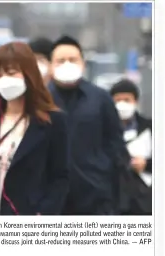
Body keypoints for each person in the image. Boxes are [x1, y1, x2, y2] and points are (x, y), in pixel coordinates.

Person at [0, 41, 69, 215]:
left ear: (28, 74)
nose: (5, 79)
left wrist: (44, 213)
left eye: (11, 73)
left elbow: (60, 178)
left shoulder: (52, 121)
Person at [48, 35, 126, 215]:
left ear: (83, 63)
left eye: (72, 60)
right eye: (61, 61)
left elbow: (115, 142)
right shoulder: (40, 100)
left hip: (95, 196)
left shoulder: (100, 99)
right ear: (51, 66)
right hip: (51, 199)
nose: (67, 64)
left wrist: (104, 171)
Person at [110, 79, 152, 215]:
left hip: (143, 199)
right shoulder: (103, 129)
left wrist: (146, 164)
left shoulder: (150, 127)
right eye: (118, 100)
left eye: (127, 100)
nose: (122, 104)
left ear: (135, 102)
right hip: (113, 196)